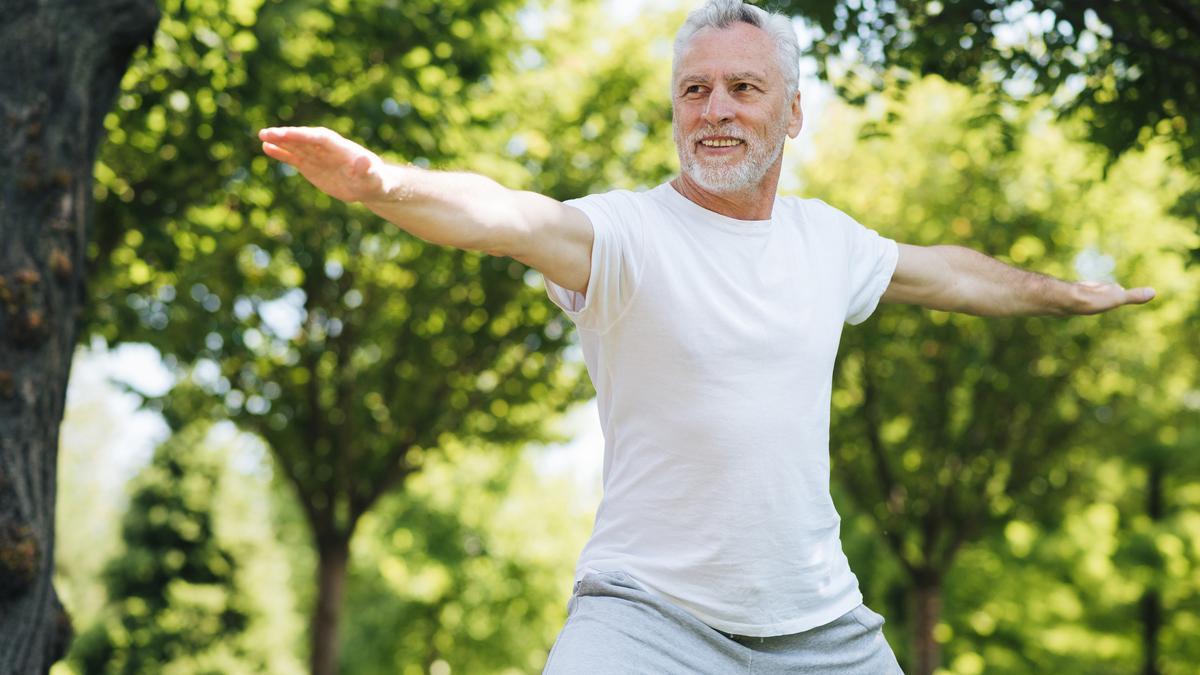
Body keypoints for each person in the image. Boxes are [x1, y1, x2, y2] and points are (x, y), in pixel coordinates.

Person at [258, 1, 1154, 671]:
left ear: (792, 113)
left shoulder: (827, 240)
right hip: (645, 621)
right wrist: (385, 184)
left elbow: (951, 273)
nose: (714, 108)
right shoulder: (626, 236)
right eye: (695, 90)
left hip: (822, 629)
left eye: (742, 88)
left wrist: (1063, 295)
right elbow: (507, 217)